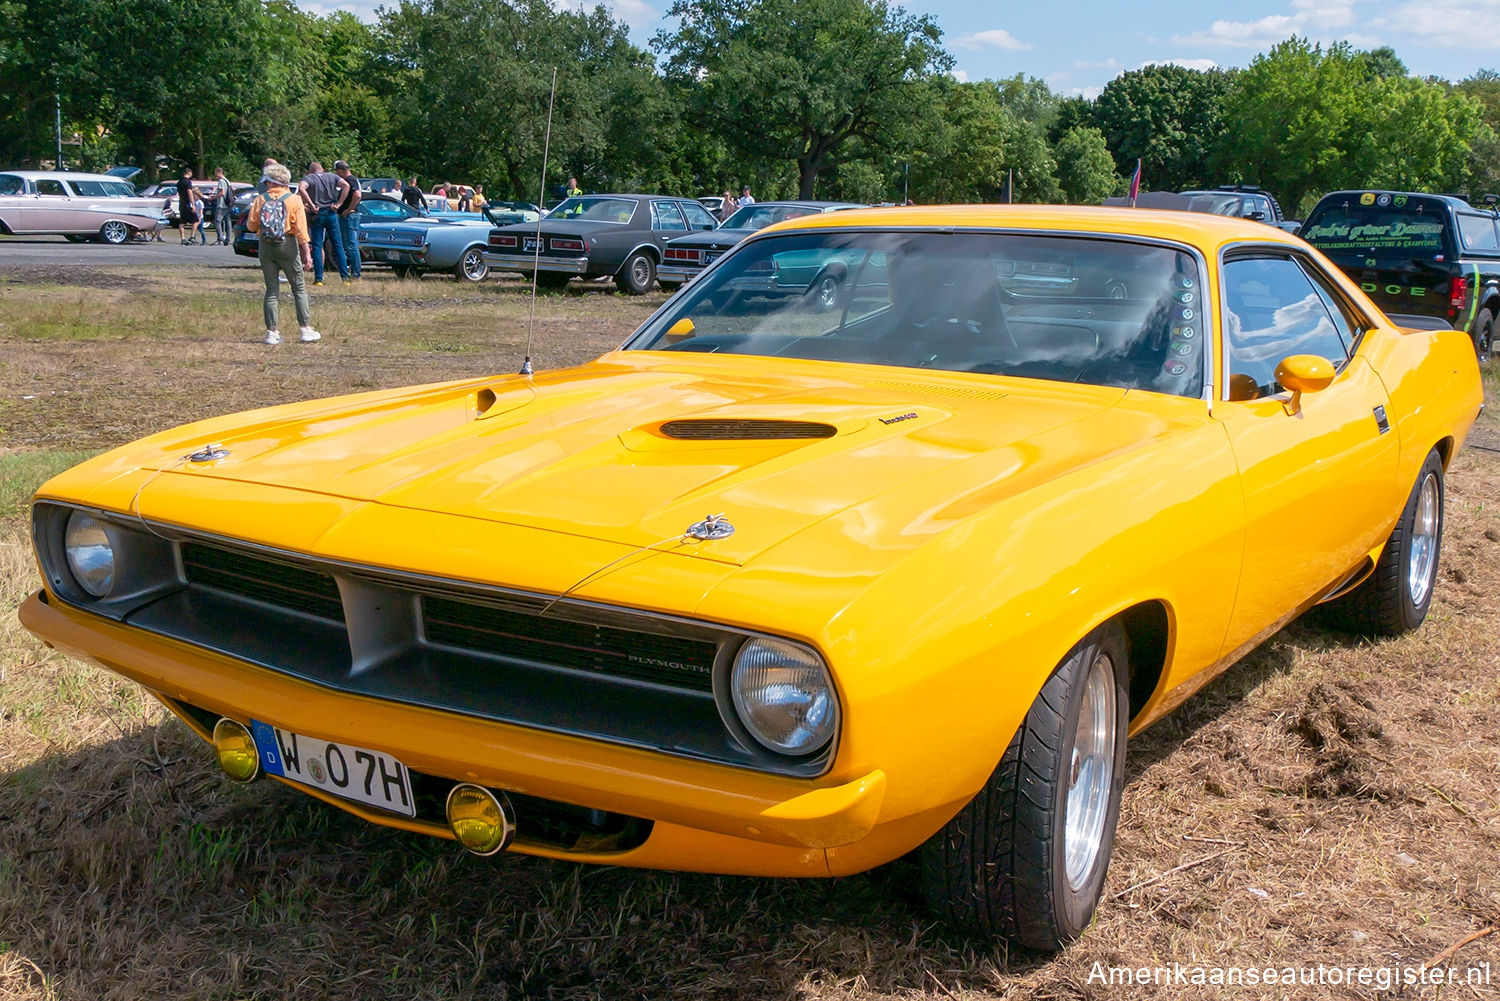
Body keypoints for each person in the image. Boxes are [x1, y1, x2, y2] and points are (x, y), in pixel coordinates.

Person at [246, 163, 320, 345]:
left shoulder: (260, 199)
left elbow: (251, 225)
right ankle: (305, 329)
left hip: (265, 245)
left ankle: (271, 332)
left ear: (271, 182)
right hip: (287, 244)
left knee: (271, 290)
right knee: (299, 288)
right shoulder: (294, 200)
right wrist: (307, 255)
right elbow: (301, 230)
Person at [298, 160, 349, 285]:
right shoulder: (332, 176)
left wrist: (310, 204)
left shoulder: (309, 178)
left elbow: (301, 188)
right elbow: (346, 185)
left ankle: (319, 278)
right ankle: (345, 278)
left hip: (317, 213)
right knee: (338, 245)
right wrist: (339, 203)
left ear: (311, 171)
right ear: (322, 169)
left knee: (317, 245)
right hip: (331, 212)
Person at [333, 160, 362, 281]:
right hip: (347, 216)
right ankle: (354, 270)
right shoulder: (351, 180)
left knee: (351, 245)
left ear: (340, 170)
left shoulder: (350, 180)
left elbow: (357, 195)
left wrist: (349, 209)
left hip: (349, 216)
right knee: (348, 244)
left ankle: (356, 273)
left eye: (337, 172)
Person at [176, 168, 204, 244]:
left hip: (181, 203)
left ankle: (183, 239)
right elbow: (190, 193)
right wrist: (193, 205)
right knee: (196, 220)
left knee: (182, 222)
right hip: (188, 203)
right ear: (189, 172)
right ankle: (192, 237)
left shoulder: (179, 182)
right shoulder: (187, 182)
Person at [211, 167, 232, 245]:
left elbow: (222, 193)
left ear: (218, 172)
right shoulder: (227, 181)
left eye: (215, 173)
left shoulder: (221, 181)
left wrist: (213, 197)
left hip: (222, 204)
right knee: (228, 221)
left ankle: (220, 239)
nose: (215, 175)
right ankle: (228, 239)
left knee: (217, 221)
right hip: (228, 203)